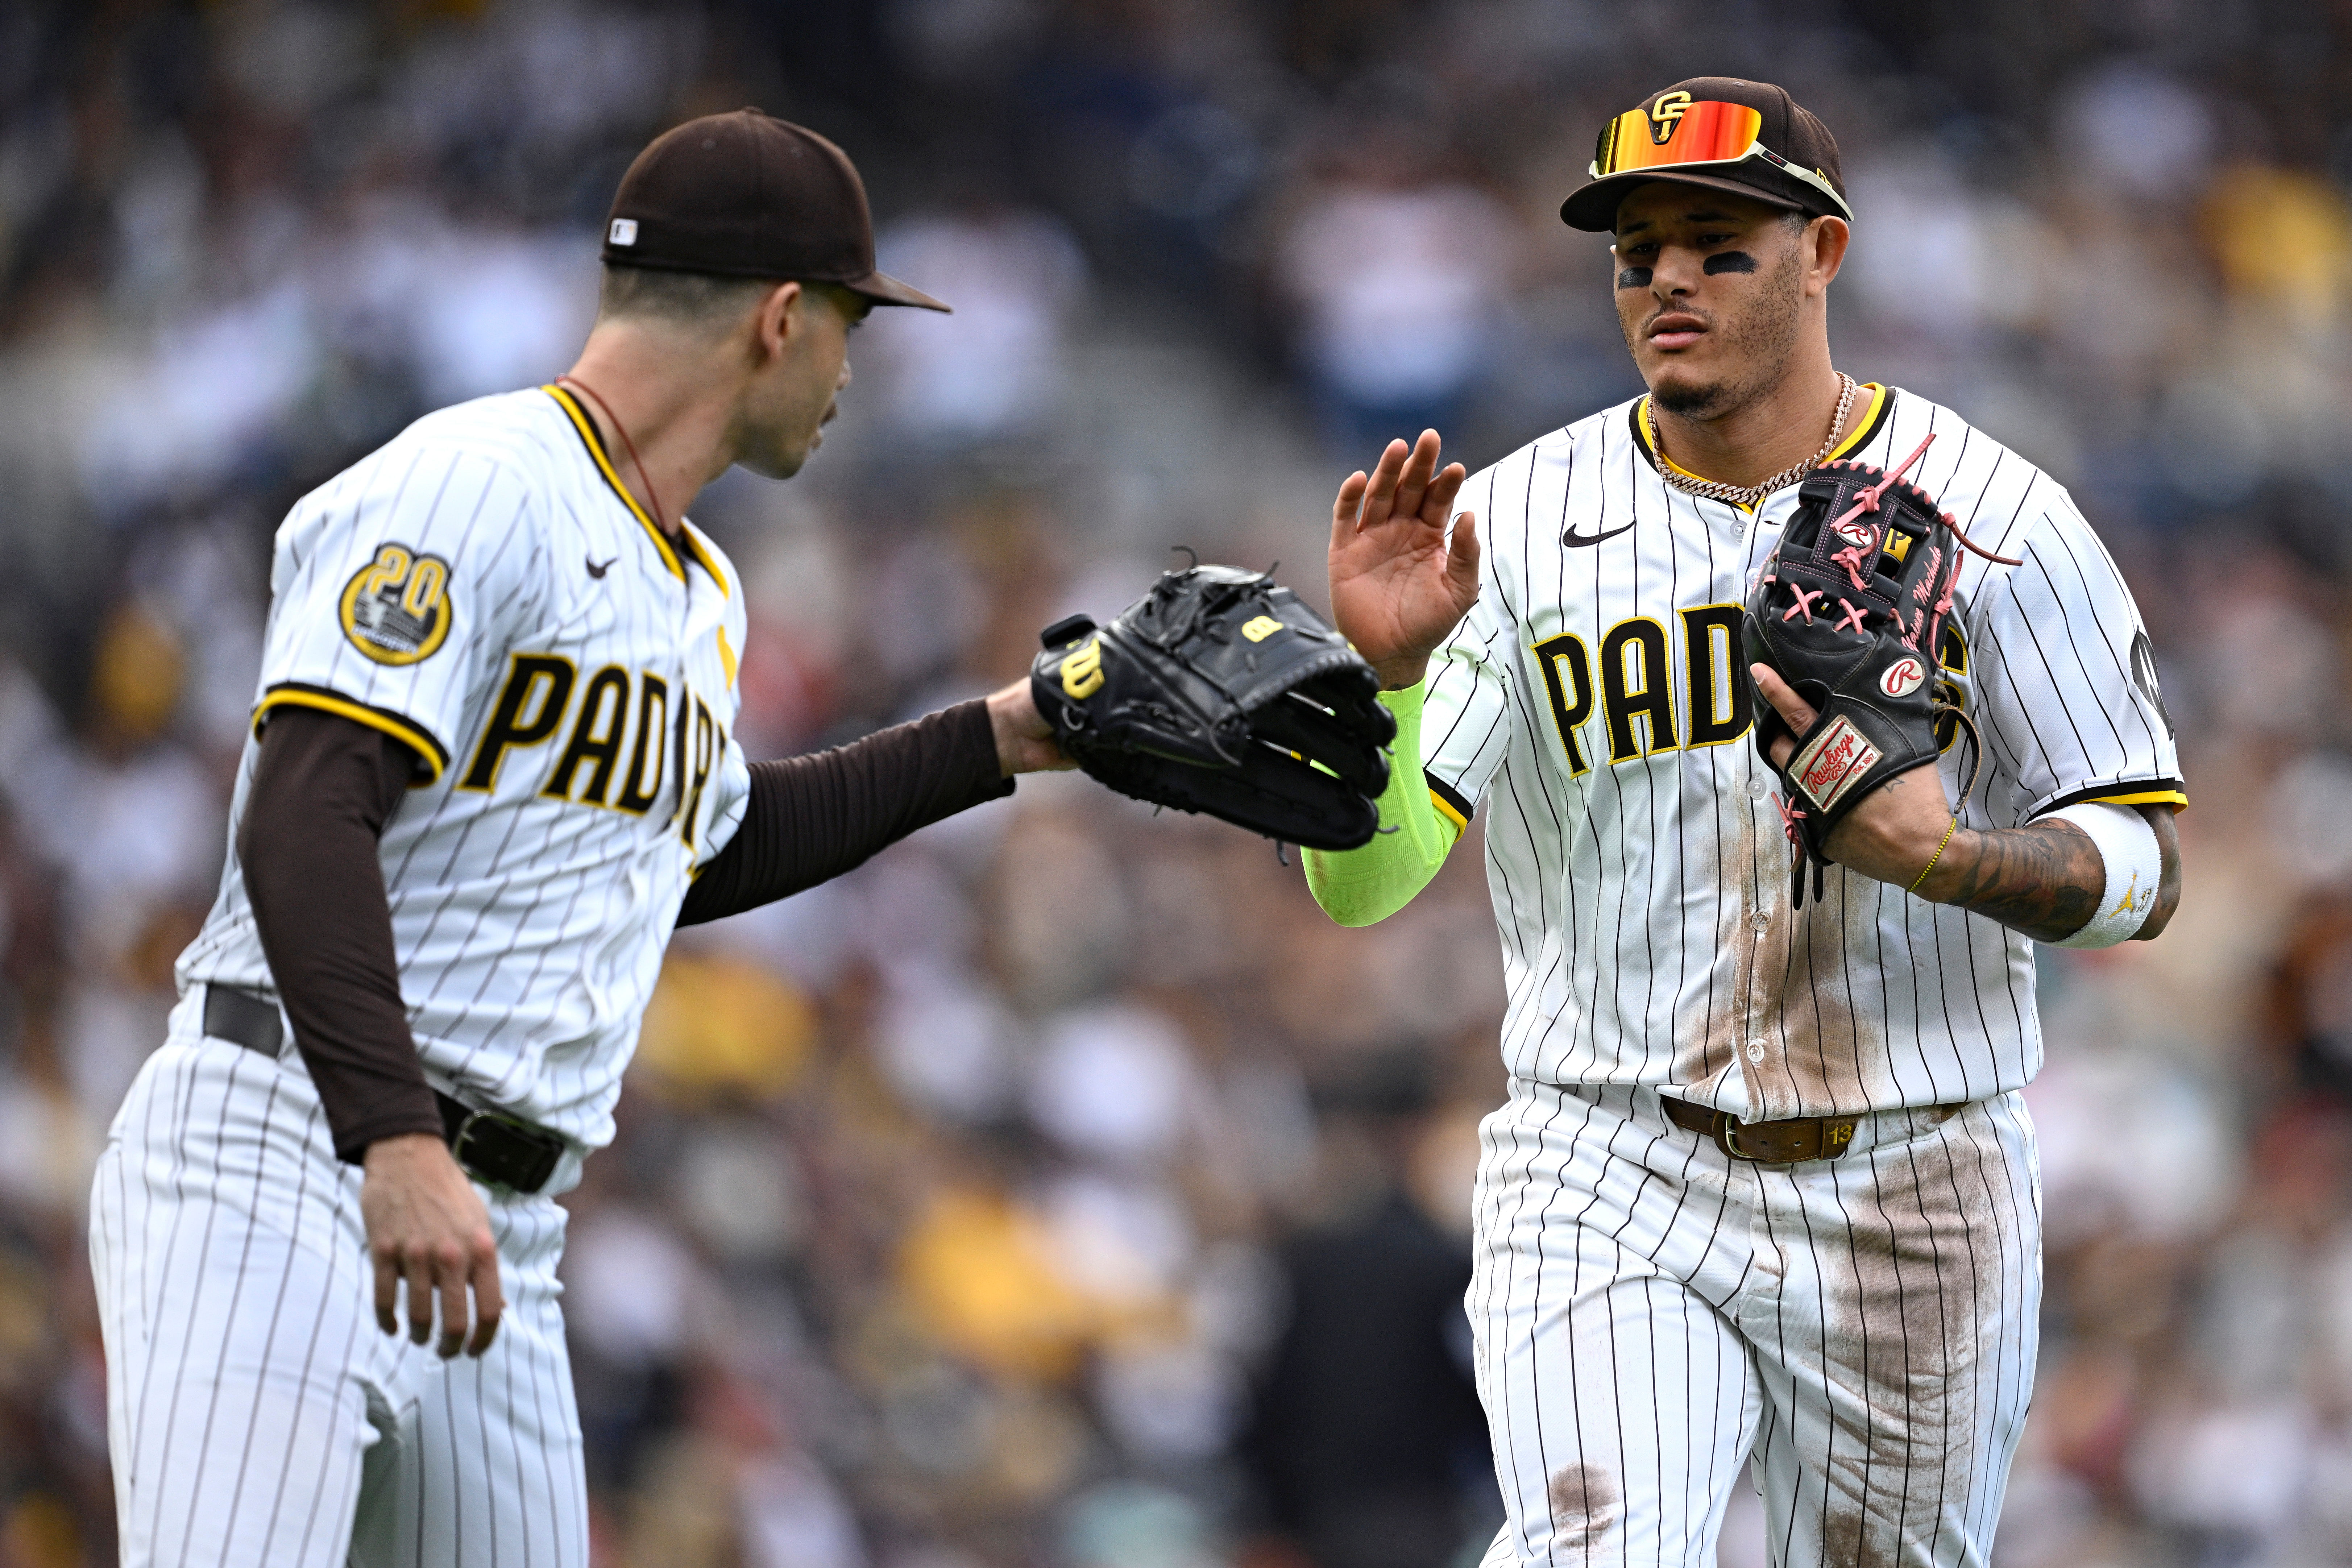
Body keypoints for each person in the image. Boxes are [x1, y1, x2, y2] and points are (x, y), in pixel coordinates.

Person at [88, 109, 1066, 1567]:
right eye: (851, 323)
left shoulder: (703, 590)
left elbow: (704, 845)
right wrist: (394, 1131)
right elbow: (307, 811)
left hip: (501, 1229)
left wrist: (1005, 732)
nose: (853, 367)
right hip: (294, 1154)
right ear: (780, 318)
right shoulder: (472, 480)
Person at [1304, 77, 2185, 1567]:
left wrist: (1956, 856)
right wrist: (1383, 685)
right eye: (1636, 250)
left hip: (1919, 1165)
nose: (1666, 279)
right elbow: (1367, 885)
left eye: (1716, 242)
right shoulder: (1507, 528)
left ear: (1822, 253)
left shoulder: (1996, 514)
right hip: (1608, 1154)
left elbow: (2149, 863)